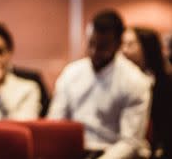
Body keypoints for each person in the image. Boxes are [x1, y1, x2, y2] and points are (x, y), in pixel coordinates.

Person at [49, 10, 151, 159]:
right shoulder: (71, 73)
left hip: (112, 153)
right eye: (91, 43)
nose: (94, 51)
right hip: (73, 152)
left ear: (117, 44)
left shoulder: (135, 81)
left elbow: (130, 142)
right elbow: (55, 123)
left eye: (102, 46)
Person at [121, 27, 172, 158]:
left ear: (147, 47)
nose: (124, 50)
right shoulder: (120, 81)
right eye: (122, 44)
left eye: (130, 44)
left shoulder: (164, 83)